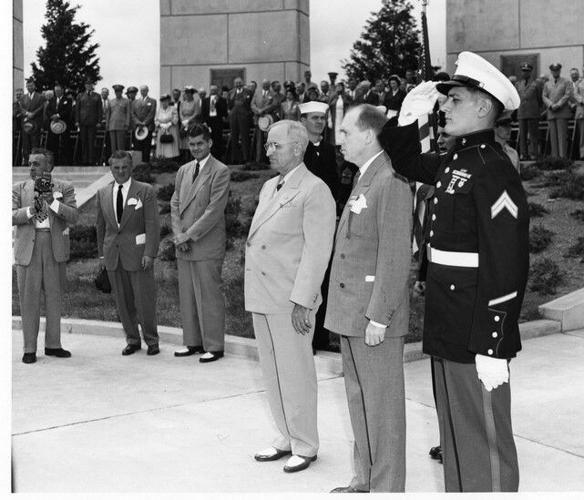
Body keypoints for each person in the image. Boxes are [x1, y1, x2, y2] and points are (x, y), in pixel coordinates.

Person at [378, 51, 529, 492]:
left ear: (484, 106)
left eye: (455, 99)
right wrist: (407, 115)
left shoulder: (493, 168)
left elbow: (507, 263)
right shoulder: (456, 161)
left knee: (483, 436)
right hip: (449, 321)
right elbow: (404, 161)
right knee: (458, 437)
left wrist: (494, 341)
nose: (444, 106)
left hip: (477, 328)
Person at [325, 105, 412, 493]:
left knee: (383, 410)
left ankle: (387, 487)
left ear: (367, 135)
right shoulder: (366, 177)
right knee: (361, 403)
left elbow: (395, 255)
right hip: (352, 313)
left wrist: (379, 317)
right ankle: (366, 480)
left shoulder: (389, 180)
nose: (338, 139)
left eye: (344, 132)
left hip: (372, 317)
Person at [245, 119, 336, 473]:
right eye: (268, 145)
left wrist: (304, 299)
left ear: (298, 148)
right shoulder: (270, 186)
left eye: (276, 145)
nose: (269, 151)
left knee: (296, 371)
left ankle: (306, 442)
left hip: (289, 298)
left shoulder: (315, 190)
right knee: (272, 370)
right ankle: (285, 433)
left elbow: (317, 251)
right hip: (263, 292)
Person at [170, 124, 230, 362]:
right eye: (192, 144)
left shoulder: (220, 170)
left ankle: (214, 345)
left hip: (206, 243)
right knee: (187, 296)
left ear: (210, 143)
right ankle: (192, 341)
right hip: (184, 243)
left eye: (200, 144)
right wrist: (178, 235)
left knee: (208, 295)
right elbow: (174, 203)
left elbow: (214, 210)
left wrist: (189, 234)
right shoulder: (183, 170)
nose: (195, 148)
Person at [13, 148, 78, 364]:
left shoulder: (64, 187)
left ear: (48, 166)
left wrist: (53, 202)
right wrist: (31, 210)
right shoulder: (19, 189)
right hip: (28, 249)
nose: (32, 167)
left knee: (53, 299)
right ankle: (29, 348)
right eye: (30, 163)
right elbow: (10, 215)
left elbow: (74, 216)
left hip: (54, 246)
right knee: (28, 300)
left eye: (37, 164)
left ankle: (53, 345)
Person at [96, 151, 161, 356]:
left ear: (131, 168)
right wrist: (101, 257)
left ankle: (152, 340)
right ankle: (132, 340)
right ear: (111, 169)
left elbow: (152, 224)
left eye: (125, 167)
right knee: (122, 302)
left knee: (143, 301)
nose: (121, 171)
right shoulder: (103, 193)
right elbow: (100, 227)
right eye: (116, 168)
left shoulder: (145, 191)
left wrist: (149, 253)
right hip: (113, 255)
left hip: (138, 254)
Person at [543, 63, 572, 158]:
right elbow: (544, 96)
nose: (555, 72)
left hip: (562, 112)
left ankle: (563, 158)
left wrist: (558, 105)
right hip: (551, 112)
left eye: (557, 70)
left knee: (562, 137)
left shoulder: (566, 81)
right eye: (553, 70)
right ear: (551, 71)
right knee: (553, 137)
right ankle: (555, 159)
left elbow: (567, 94)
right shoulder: (547, 83)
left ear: (560, 71)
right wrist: (551, 105)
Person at [514, 62, 542, 160]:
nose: (525, 73)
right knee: (522, 135)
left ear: (530, 72)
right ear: (521, 72)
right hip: (522, 112)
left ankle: (534, 153)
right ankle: (523, 154)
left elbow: (539, 99)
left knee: (533, 135)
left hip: (533, 112)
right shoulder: (518, 84)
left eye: (527, 71)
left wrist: (537, 110)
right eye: (523, 71)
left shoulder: (536, 84)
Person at [45, 84, 73, 166]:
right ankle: (54, 161)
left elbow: (68, 110)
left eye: (58, 90)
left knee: (65, 143)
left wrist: (58, 115)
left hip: (64, 125)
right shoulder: (52, 100)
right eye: (55, 91)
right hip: (53, 125)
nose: (57, 92)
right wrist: (52, 116)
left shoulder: (68, 100)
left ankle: (65, 162)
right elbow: (47, 110)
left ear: (62, 91)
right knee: (53, 144)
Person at [76, 78, 102, 165]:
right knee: (83, 142)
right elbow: (77, 109)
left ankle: (91, 160)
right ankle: (84, 160)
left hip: (93, 122)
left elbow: (99, 110)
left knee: (91, 142)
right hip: (83, 122)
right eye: (87, 84)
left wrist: (99, 121)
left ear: (92, 86)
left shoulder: (97, 96)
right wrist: (77, 121)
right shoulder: (80, 95)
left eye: (90, 84)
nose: (89, 86)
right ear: (85, 85)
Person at [227, 77, 253, 163]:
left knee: (245, 137)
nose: (238, 84)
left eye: (239, 83)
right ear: (234, 84)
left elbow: (250, 105)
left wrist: (247, 113)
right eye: (236, 83)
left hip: (244, 117)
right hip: (233, 117)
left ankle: (246, 158)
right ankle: (235, 159)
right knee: (234, 137)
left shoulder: (248, 92)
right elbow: (229, 105)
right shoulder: (231, 92)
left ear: (242, 83)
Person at [20, 79, 45, 165]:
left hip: (36, 122)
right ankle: (26, 161)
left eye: (31, 85)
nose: (29, 87)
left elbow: (42, 107)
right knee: (26, 143)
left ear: (34, 86)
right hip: (26, 123)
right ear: (26, 87)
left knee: (35, 142)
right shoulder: (23, 97)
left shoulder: (40, 96)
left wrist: (33, 114)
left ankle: (35, 161)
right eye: (28, 86)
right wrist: (27, 113)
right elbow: (21, 108)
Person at [201, 85, 228, 159]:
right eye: (212, 90)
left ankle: (218, 157)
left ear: (217, 91)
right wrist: (204, 122)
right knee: (209, 139)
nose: (213, 92)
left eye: (214, 90)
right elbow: (203, 113)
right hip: (208, 122)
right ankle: (209, 156)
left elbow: (224, 113)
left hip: (218, 122)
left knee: (217, 140)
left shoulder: (222, 100)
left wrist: (217, 102)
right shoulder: (205, 100)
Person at [251, 79, 275, 163]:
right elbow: (252, 104)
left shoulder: (273, 94)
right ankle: (259, 160)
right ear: (262, 85)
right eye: (264, 84)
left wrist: (263, 110)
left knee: (270, 139)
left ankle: (271, 160)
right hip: (259, 119)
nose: (265, 86)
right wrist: (257, 110)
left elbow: (273, 104)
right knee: (259, 140)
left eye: (267, 84)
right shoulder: (257, 93)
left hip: (269, 119)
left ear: (269, 85)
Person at [132, 85, 157, 163]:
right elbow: (132, 114)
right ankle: (138, 164)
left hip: (148, 127)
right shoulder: (135, 102)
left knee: (146, 147)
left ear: (147, 91)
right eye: (142, 90)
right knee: (138, 147)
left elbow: (152, 113)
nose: (143, 92)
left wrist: (144, 123)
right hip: (138, 128)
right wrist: (138, 123)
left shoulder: (153, 101)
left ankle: (146, 164)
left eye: (144, 90)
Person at [179, 86, 202, 162]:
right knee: (184, 141)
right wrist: (183, 120)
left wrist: (188, 120)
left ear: (192, 94)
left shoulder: (196, 102)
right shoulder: (183, 103)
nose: (188, 95)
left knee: (191, 139)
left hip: (192, 122)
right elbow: (180, 113)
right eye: (186, 93)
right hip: (184, 123)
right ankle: (184, 158)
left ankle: (192, 158)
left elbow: (196, 113)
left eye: (189, 93)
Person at [106, 84, 131, 152]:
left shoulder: (126, 101)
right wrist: (107, 124)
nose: (117, 93)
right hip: (112, 125)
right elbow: (108, 114)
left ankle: (121, 160)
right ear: (114, 92)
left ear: (122, 92)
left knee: (121, 145)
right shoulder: (111, 101)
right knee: (113, 146)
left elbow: (128, 113)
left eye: (119, 91)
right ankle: (114, 160)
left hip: (121, 125)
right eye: (116, 92)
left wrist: (127, 124)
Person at [154, 94, 179, 159]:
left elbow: (176, 118)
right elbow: (156, 120)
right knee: (162, 145)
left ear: (168, 101)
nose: (164, 103)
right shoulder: (159, 110)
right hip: (162, 129)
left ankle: (171, 159)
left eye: (165, 101)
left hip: (171, 129)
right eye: (162, 101)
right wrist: (160, 124)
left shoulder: (173, 108)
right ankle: (162, 159)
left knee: (170, 145)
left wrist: (169, 124)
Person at [329, 82, 353, 147]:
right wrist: (329, 120)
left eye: (340, 86)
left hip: (344, 118)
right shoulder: (333, 97)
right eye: (337, 86)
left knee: (343, 133)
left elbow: (351, 107)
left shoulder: (347, 97)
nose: (339, 87)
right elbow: (329, 109)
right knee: (336, 134)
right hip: (335, 119)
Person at [570, 67, 584, 159]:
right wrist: (582, 100)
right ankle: (583, 154)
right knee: (582, 134)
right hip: (582, 110)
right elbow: (575, 93)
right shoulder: (579, 82)